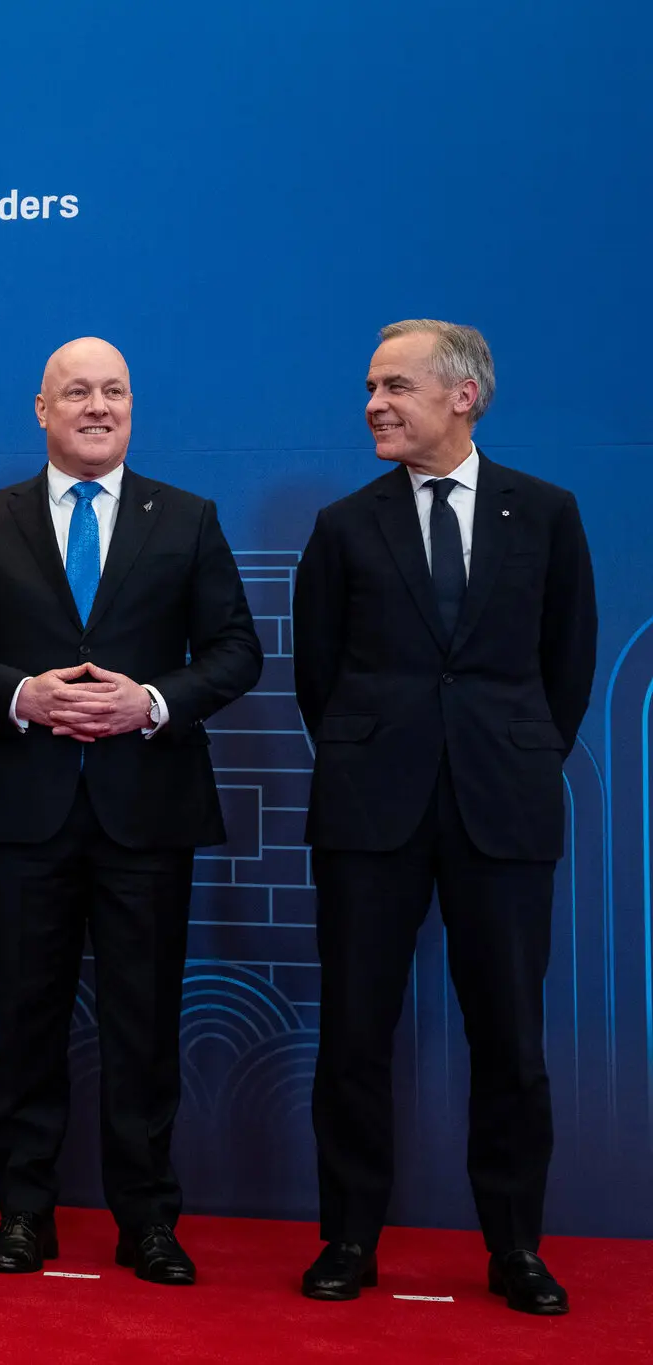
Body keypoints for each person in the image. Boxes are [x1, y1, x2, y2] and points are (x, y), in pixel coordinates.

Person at [0, 337, 260, 1285]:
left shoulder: (186, 518)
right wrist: (24, 692)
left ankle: (148, 1219)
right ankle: (25, 1212)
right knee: (26, 1020)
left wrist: (146, 702)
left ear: (133, 407)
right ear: (41, 409)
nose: (97, 406)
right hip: (27, 806)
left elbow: (235, 652)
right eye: (77, 392)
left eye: (114, 391)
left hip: (148, 807)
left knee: (143, 1025)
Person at [293, 320, 596, 1315]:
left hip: (500, 811)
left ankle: (513, 1249)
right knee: (352, 1036)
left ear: (461, 396)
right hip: (367, 812)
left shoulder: (543, 515)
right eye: (368, 388)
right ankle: (347, 1238)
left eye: (394, 386)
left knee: (509, 1039)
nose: (373, 404)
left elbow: (564, 667)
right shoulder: (343, 525)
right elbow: (317, 677)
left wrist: (507, 755)